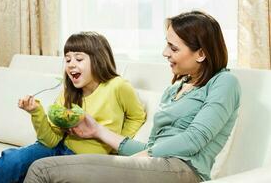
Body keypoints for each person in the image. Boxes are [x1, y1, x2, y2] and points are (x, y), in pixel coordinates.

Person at [23, 11, 241, 183]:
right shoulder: (173, 90)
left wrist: (143, 156)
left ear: (201, 53)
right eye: (167, 44)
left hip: (184, 169)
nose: (165, 52)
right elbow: (152, 147)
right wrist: (97, 131)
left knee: (42, 169)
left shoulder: (223, 82)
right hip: (157, 165)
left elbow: (194, 139)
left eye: (173, 48)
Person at [0, 32, 146, 183]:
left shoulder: (117, 86)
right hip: (58, 148)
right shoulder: (67, 92)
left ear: (98, 59)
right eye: (67, 59)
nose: (70, 64)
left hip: (84, 160)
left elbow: (137, 116)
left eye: (78, 58)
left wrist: (118, 143)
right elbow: (50, 141)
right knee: (13, 159)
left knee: (36, 172)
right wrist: (36, 112)